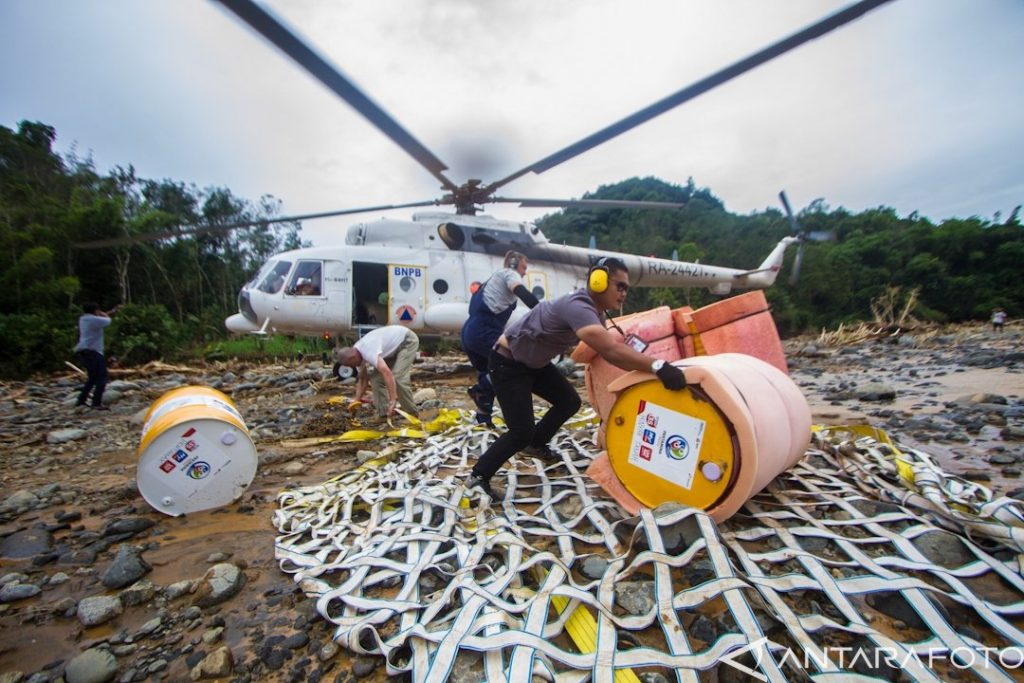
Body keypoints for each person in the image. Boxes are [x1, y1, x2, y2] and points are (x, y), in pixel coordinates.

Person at [466, 257, 687, 499]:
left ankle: (536, 443)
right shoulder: (578, 306)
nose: (623, 293)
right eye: (620, 286)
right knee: (520, 432)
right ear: (598, 281)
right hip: (508, 363)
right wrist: (658, 366)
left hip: (534, 364)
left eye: (626, 288)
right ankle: (478, 476)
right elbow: (611, 351)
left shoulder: (596, 314)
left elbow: (605, 351)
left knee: (569, 402)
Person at [461, 251, 539, 427]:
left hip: (469, 332)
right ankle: (519, 423)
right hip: (483, 332)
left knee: (489, 374)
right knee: (511, 367)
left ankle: (483, 420)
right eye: (523, 267)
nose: (524, 272)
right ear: (513, 264)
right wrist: (542, 310)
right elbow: (521, 292)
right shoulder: (509, 274)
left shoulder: (493, 280)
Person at [334, 325, 419, 418]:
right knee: (375, 379)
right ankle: (384, 414)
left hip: (406, 341)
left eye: (350, 365)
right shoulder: (356, 353)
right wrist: (356, 401)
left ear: (352, 358)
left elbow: (386, 373)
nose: (352, 367)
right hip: (391, 350)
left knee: (398, 377)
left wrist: (393, 399)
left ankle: (412, 414)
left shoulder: (368, 351)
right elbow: (363, 380)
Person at [74, 302, 117, 410]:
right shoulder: (94, 320)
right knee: (102, 378)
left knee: (92, 378)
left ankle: (81, 400)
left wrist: (108, 312)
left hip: (84, 351)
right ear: (95, 311)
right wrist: (105, 314)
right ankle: (96, 403)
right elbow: (108, 321)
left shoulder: (83, 319)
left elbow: (98, 319)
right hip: (93, 351)